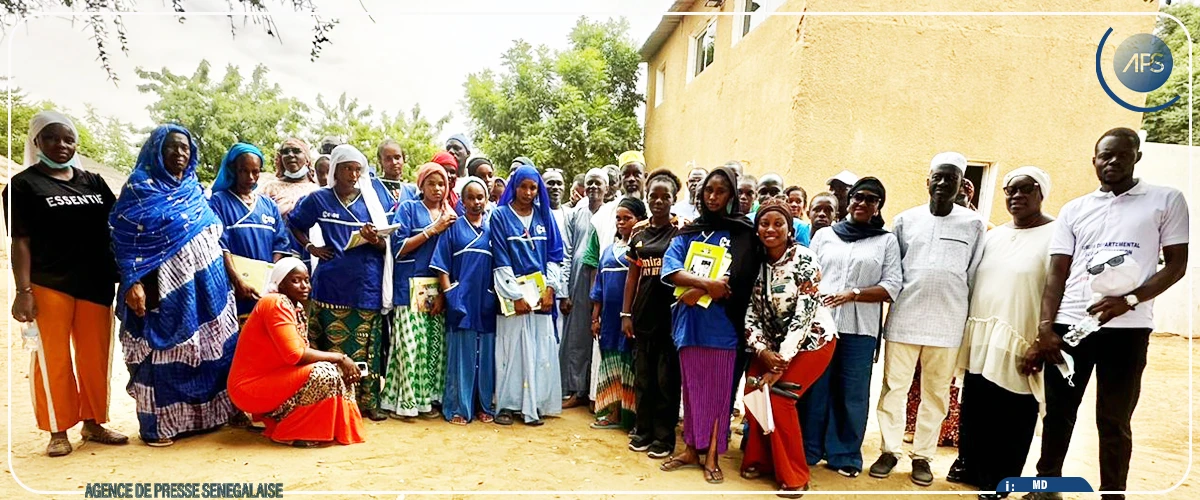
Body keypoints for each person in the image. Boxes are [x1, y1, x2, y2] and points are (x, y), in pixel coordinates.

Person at [1023, 128, 1189, 500]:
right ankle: (1047, 486)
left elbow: (1176, 266)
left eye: (1120, 155)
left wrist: (1128, 300)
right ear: (1094, 160)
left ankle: (1112, 492)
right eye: (1104, 156)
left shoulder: (1165, 200)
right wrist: (1046, 328)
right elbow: (1057, 272)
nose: (1111, 162)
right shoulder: (1075, 209)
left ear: (1136, 157)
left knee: (1114, 419)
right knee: (1059, 412)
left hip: (1127, 329)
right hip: (1072, 327)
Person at [4, 110, 128, 456]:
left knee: (95, 357)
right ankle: (58, 430)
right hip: (49, 284)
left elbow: (117, 225)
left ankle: (93, 423)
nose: (61, 145)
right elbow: (20, 241)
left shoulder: (93, 182)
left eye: (68, 139)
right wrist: (23, 291)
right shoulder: (23, 185)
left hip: (96, 282)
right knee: (52, 358)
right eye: (52, 138)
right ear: (37, 142)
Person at [110, 124, 241, 446]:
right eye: (172, 147)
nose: (180, 154)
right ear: (157, 150)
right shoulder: (140, 188)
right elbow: (124, 240)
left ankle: (207, 418)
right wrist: (131, 282)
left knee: (211, 349)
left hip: (206, 288)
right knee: (165, 352)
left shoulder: (194, 189)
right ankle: (161, 426)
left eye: (185, 148)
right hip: (163, 288)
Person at [869, 152, 985, 486]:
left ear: (962, 184)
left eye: (951, 178)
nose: (943, 184)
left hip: (948, 322)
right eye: (938, 177)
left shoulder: (973, 224)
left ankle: (922, 456)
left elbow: (974, 274)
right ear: (928, 181)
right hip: (905, 318)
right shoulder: (906, 220)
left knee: (935, 394)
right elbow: (893, 269)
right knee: (894, 388)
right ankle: (890, 450)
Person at [946, 167, 1056, 499]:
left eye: (1026, 189)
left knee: (1013, 412)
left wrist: (1042, 340)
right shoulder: (994, 235)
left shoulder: (1056, 235)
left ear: (1041, 193)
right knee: (978, 405)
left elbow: (1059, 291)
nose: (1016, 196)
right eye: (1010, 190)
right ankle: (973, 466)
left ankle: (1001, 479)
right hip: (982, 334)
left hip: (1021, 337)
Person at [659, 166, 759, 484]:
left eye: (721, 191)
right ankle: (690, 448)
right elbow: (671, 267)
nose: (713, 197)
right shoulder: (688, 232)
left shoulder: (742, 233)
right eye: (708, 191)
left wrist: (697, 290)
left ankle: (713, 454)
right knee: (691, 390)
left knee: (718, 393)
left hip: (722, 325)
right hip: (689, 324)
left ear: (731, 196)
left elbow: (738, 278)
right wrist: (703, 285)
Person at [287, 144, 396, 422]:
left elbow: (385, 245)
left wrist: (374, 239)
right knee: (329, 346)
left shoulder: (371, 201)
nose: (353, 174)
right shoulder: (318, 200)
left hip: (366, 285)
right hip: (331, 284)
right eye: (347, 168)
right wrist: (311, 246)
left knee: (366, 347)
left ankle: (368, 401)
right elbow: (294, 223)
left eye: (357, 169)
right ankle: (331, 402)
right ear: (335, 170)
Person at [801, 177, 902, 478]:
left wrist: (854, 293)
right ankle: (809, 449)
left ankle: (844, 454)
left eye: (871, 199)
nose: (862, 203)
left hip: (861, 329)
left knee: (852, 393)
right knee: (816, 388)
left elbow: (892, 286)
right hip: (821, 326)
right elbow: (808, 275)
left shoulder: (886, 241)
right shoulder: (825, 236)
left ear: (878, 206)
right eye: (858, 197)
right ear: (849, 200)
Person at [739, 199, 836, 497]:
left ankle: (795, 475)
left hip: (811, 342)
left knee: (781, 397)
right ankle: (760, 459)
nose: (771, 229)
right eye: (764, 224)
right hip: (770, 346)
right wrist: (760, 349)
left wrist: (780, 363)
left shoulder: (804, 259)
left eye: (778, 224)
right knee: (753, 390)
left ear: (790, 229)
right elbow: (751, 314)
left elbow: (804, 315)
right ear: (756, 229)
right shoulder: (756, 262)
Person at [228, 258, 365, 447]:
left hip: (272, 377)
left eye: (306, 280)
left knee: (332, 369)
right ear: (280, 283)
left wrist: (338, 362)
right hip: (250, 387)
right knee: (324, 373)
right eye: (295, 281)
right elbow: (295, 355)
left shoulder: (295, 306)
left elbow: (299, 351)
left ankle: (319, 428)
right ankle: (291, 432)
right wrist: (341, 358)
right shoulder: (276, 303)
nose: (304, 286)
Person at [489, 165, 567, 426]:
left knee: (539, 349)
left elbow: (556, 255)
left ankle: (534, 404)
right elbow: (500, 257)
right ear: (515, 187)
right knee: (512, 350)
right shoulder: (500, 216)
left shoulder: (544, 217)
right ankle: (508, 405)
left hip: (541, 295)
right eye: (523, 186)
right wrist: (514, 295)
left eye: (533, 187)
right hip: (513, 297)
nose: (528, 192)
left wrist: (550, 290)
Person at [380, 163, 457, 419]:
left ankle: (427, 400)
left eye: (442, 184)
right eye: (432, 183)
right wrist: (432, 229)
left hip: (436, 287)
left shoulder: (450, 212)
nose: (437, 189)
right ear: (421, 185)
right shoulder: (409, 208)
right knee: (409, 346)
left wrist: (446, 294)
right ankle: (405, 403)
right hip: (410, 285)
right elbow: (397, 247)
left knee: (432, 346)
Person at [625, 168, 684, 459]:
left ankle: (664, 437)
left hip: (671, 313)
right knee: (644, 377)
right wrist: (626, 314)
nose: (659, 201)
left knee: (666, 379)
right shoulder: (637, 231)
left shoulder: (682, 230)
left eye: (665, 197)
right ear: (647, 198)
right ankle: (643, 430)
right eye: (654, 196)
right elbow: (632, 276)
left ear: (674, 199)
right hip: (643, 312)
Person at [432, 177, 498, 425]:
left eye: (480, 197)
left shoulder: (493, 228)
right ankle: (459, 406)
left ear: (486, 199)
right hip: (460, 299)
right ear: (461, 200)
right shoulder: (453, 228)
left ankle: (483, 406)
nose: (475, 202)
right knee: (461, 354)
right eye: (470, 197)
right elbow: (442, 265)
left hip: (486, 299)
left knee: (485, 355)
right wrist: (449, 294)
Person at [209, 143, 292, 321]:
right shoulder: (218, 202)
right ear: (232, 169)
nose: (251, 177)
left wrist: (269, 278)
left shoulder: (268, 205)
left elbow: (280, 243)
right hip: (232, 286)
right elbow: (219, 245)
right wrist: (238, 280)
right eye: (243, 171)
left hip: (264, 287)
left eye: (256, 172)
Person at [589, 197, 646, 430]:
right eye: (618, 219)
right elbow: (599, 287)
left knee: (630, 365)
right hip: (609, 320)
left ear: (640, 220)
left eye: (627, 218)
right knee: (610, 362)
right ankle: (612, 413)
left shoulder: (641, 250)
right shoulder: (608, 251)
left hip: (629, 318)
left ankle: (633, 419)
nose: (622, 223)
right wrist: (595, 317)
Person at [560, 168, 608, 409]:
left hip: (604, 282)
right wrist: (565, 290)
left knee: (599, 337)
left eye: (598, 183)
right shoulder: (576, 214)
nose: (593, 188)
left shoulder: (612, 214)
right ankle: (577, 389)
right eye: (589, 183)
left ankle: (595, 393)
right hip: (578, 283)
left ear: (607, 188)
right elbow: (567, 251)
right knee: (578, 338)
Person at [377, 139, 419, 203]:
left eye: (397, 157)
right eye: (388, 159)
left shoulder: (412, 192)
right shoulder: (373, 187)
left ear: (403, 159)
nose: (394, 162)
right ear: (380, 161)